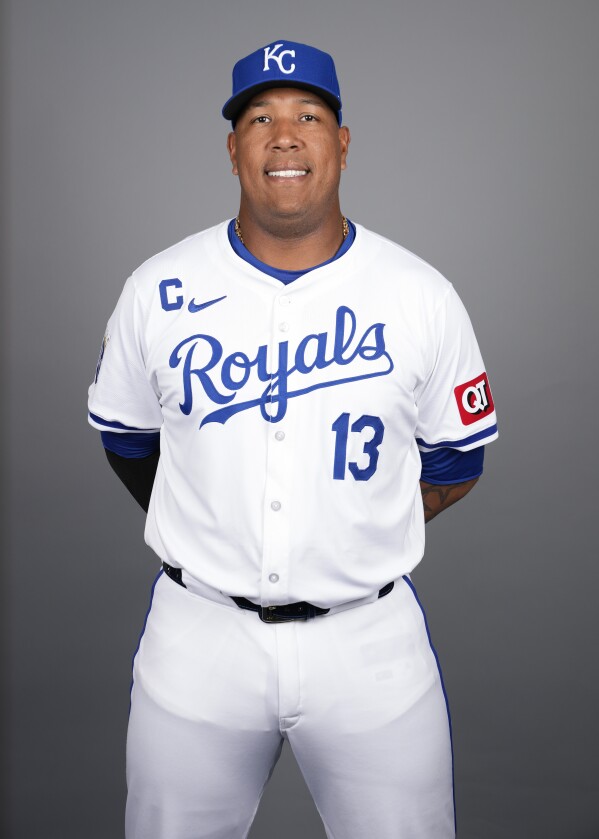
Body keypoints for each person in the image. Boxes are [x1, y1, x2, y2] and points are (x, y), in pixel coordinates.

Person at [88, 40, 498, 839]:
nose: (284, 135)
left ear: (341, 143)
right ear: (233, 147)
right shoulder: (157, 289)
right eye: (260, 118)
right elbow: (128, 439)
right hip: (199, 637)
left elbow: (457, 458)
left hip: (369, 642)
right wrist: (211, 517)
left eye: (309, 116)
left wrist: (357, 530)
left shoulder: (418, 293)